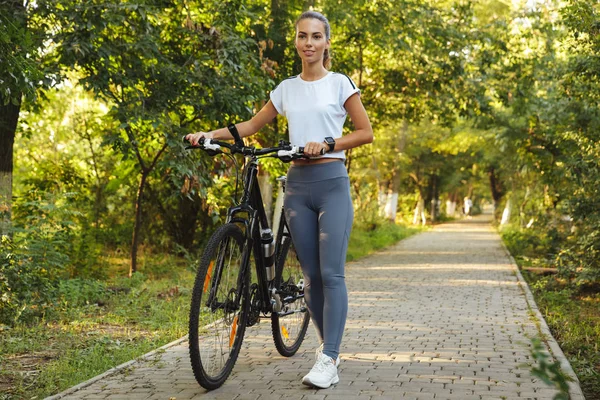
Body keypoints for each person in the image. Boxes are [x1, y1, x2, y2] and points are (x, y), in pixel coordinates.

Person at [186, 10, 373, 389]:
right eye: (303, 36)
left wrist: (329, 143)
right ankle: (326, 349)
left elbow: (365, 132)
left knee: (331, 273)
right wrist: (211, 134)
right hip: (297, 187)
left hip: (331, 183)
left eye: (316, 36)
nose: (309, 43)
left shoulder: (340, 84)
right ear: (296, 41)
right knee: (310, 278)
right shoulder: (286, 88)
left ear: (326, 42)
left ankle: (330, 358)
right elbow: (252, 126)